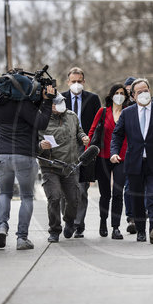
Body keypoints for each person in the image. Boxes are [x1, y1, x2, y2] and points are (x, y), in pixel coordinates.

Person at [110, 78, 153, 244]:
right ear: (133, 96)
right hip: (134, 162)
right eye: (139, 92)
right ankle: (141, 230)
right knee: (137, 198)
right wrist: (114, 152)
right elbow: (117, 135)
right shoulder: (127, 113)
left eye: (145, 90)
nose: (143, 94)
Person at [0, 77, 53, 250]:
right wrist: (47, 102)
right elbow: (41, 123)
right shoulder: (24, 105)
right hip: (24, 154)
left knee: (4, 193)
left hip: (2, 155)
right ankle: (22, 238)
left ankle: (2, 227)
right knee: (26, 196)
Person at [38, 93, 89, 243]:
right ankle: (54, 230)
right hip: (50, 166)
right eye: (57, 102)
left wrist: (83, 137)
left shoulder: (72, 116)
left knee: (74, 199)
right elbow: (32, 142)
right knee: (54, 197)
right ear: (51, 105)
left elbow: (79, 131)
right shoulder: (41, 119)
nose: (61, 104)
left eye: (63, 102)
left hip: (70, 166)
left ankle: (69, 221)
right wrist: (40, 145)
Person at [62, 67, 101, 238]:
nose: (76, 84)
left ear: (83, 82)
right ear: (68, 82)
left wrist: (93, 146)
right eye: (73, 81)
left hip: (85, 148)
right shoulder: (60, 99)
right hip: (64, 149)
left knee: (82, 188)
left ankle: (77, 224)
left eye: (79, 81)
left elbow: (99, 124)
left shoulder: (92, 99)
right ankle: (69, 220)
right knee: (66, 189)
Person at [88, 84, 129, 239]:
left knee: (118, 193)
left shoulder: (128, 112)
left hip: (122, 157)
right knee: (105, 194)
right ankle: (103, 221)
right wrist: (88, 152)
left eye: (122, 93)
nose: (119, 95)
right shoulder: (103, 112)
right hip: (103, 157)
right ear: (111, 96)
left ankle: (116, 227)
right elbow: (92, 131)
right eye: (117, 93)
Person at [123, 76, 137, 234]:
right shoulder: (122, 107)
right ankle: (131, 217)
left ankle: (142, 214)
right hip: (126, 151)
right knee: (128, 187)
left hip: (143, 151)